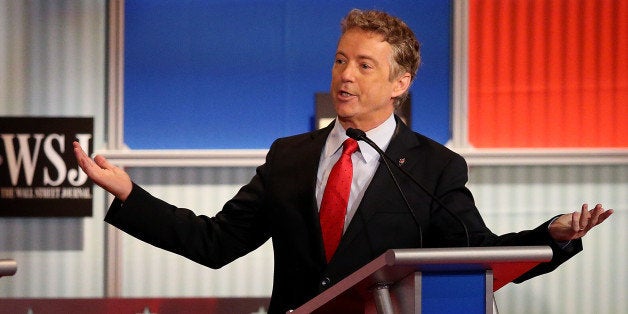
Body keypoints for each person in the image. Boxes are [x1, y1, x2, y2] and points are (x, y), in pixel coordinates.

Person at [73, 9, 613, 314]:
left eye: (363, 65)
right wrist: (128, 194)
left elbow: (476, 258)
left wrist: (553, 236)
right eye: (339, 60)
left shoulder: (434, 168)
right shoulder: (290, 157)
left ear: (400, 84)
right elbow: (215, 244)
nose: (345, 76)